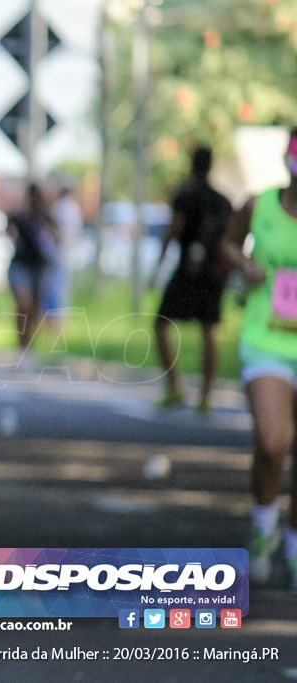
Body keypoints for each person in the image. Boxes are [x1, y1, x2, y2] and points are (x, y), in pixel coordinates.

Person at [221, 128, 297, 589]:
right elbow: (227, 243)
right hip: (266, 339)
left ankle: (293, 544)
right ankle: (263, 524)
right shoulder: (259, 204)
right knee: (273, 441)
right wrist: (243, 263)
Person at [152, 146, 233, 413]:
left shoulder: (185, 196)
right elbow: (230, 240)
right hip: (214, 274)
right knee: (209, 330)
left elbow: (173, 230)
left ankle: (175, 386)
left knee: (161, 323)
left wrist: (159, 264)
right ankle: (206, 395)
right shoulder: (223, 200)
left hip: (188, 270)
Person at [6, 182, 57, 360]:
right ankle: (21, 347)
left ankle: (28, 349)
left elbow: (57, 237)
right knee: (23, 305)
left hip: (39, 267)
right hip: (20, 265)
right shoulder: (19, 216)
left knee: (34, 310)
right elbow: (9, 231)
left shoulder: (46, 218)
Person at [43, 179, 84, 324]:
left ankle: (54, 323)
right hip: (67, 254)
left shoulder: (60, 207)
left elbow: (56, 233)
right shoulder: (74, 208)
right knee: (60, 290)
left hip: (56, 254)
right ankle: (57, 322)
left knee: (54, 290)